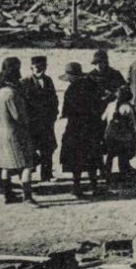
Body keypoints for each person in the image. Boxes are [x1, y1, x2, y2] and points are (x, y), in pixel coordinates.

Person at [0, 56, 37, 206]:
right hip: (15, 133)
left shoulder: (1, 91)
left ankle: (8, 194)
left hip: (2, 131)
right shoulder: (12, 94)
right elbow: (20, 117)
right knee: (27, 165)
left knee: (6, 165)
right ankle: (28, 197)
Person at [59, 62, 105, 198]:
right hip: (91, 127)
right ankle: (95, 187)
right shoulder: (92, 85)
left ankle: (76, 187)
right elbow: (99, 105)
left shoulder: (71, 91)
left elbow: (66, 112)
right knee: (92, 157)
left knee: (75, 159)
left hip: (75, 128)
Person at [22, 55, 59, 181]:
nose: (40, 70)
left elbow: (54, 99)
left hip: (47, 122)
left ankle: (47, 174)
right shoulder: (25, 82)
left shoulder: (48, 80)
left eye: (42, 67)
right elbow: (24, 103)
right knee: (31, 148)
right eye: (37, 67)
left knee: (48, 149)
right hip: (32, 123)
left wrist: (54, 114)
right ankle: (29, 175)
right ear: (31, 68)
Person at [102, 86, 136, 178]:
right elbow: (134, 124)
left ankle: (107, 172)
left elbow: (103, 118)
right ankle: (123, 173)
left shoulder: (110, 105)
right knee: (122, 155)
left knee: (110, 155)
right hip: (124, 136)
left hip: (110, 134)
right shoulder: (128, 108)